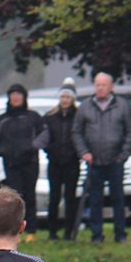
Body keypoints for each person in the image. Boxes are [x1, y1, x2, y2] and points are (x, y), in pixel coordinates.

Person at [72, 72, 131, 244]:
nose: (100, 88)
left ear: (111, 87)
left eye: (103, 85)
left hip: (115, 160)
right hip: (94, 161)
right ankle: (96, 236)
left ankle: (120, 234)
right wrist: (84, 152)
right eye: (97, 84)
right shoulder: (85, 106)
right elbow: (76, 131)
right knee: (95, 200)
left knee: (118, 199)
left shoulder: (122, 106)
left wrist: (123, 155)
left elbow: (130, 132)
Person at [0, 84, 49, 242]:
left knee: (29, 197)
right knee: (13, 199)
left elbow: (44, 135)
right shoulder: (2, 120)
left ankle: (31, 230)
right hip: (10, 163)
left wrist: (33, 146)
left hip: (29, 162)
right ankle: (15, 230)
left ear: (24, 97)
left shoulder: (33, 117)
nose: (16, 97)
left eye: (19, 94)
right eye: (13, 94)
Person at [43, 78, 81, 241]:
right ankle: (52, 231)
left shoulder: (78, 117)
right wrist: (50, 151)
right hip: (55, 162)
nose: (65, 100)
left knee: (70, 198)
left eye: (68, 97)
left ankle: (69, 231)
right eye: (63, 97)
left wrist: (75, 153)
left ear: (72, 99)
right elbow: (44, 138)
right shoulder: (50, 117)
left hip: (72, 162)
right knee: (54, 197)